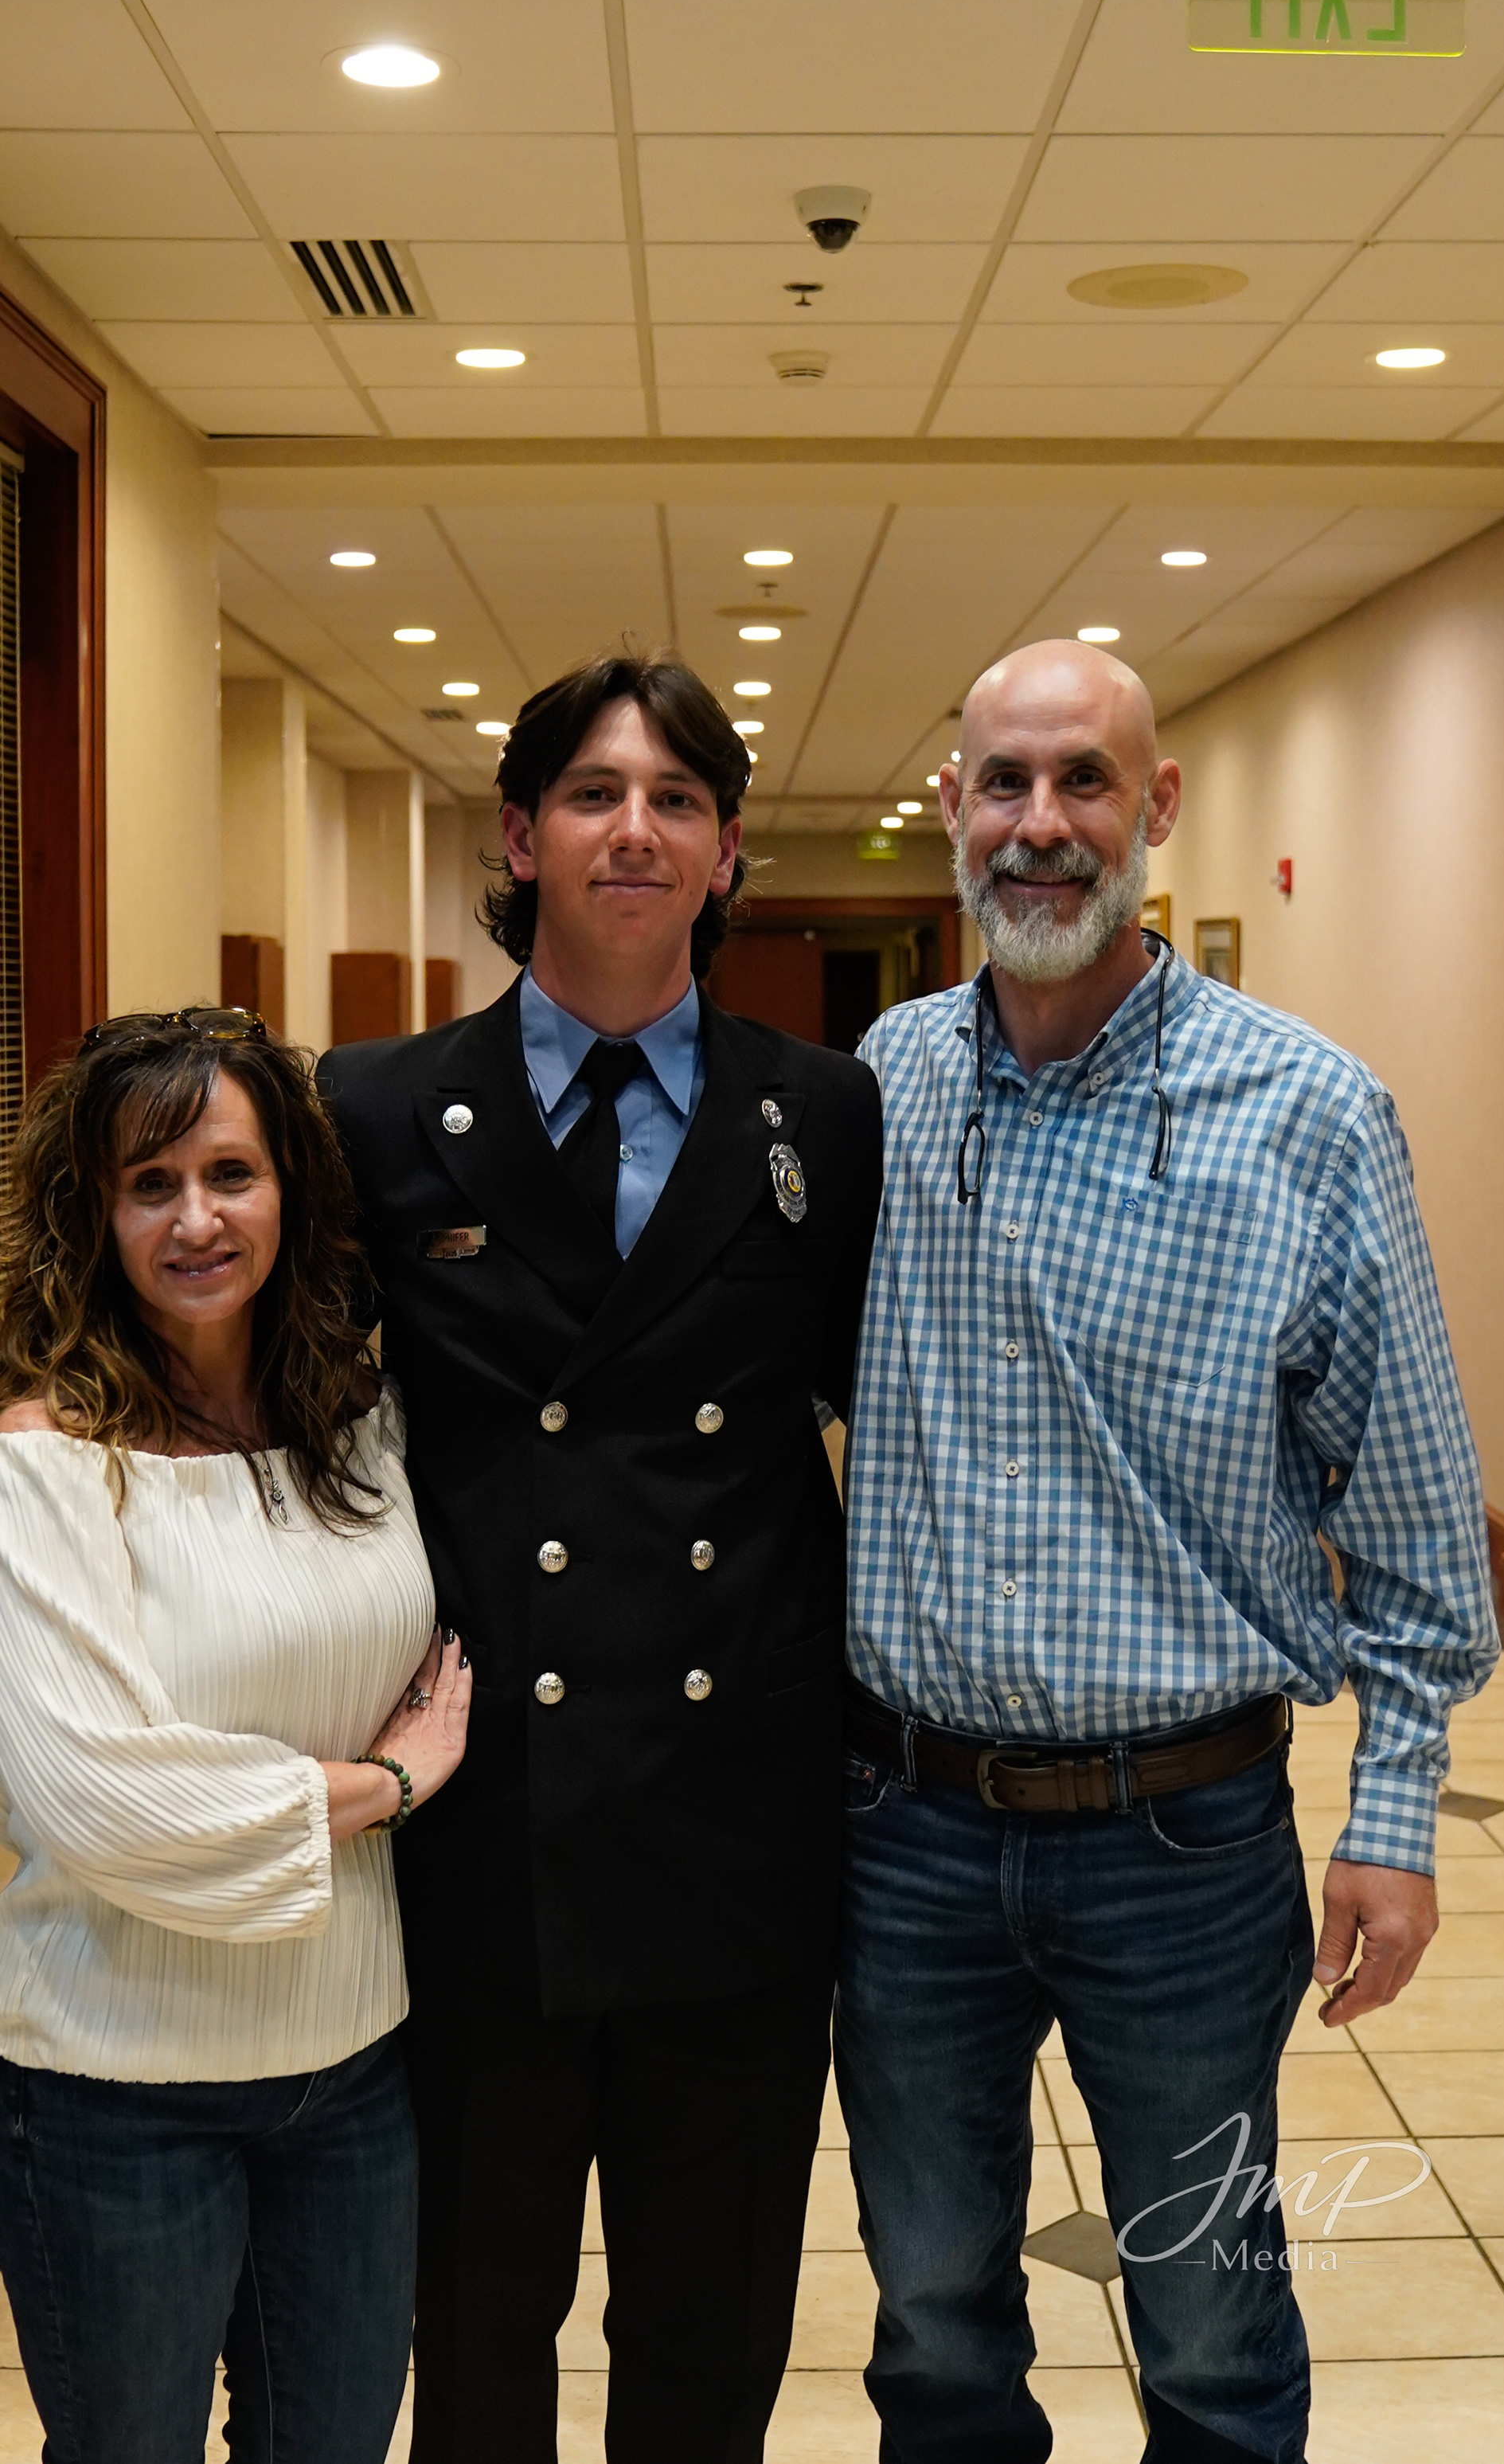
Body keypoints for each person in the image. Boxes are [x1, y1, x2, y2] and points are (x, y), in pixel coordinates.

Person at [837, 639, 1498, 2464]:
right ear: (953, 805)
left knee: (1209, 2324)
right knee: (932, 2314)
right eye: (1005, 781)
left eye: (1086, 780)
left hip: (1183, 1847)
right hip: (905, 1836)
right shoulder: (883, 1084)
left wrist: (1394, 1816)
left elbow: (1415, 1518)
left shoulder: (1308, 1113)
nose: (1041, 823)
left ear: (1160, 805)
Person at [319, 647, 882, 2464]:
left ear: (724, 851)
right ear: (521, 836)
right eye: (592, 794)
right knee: (477, 2328)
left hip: (735, 1824)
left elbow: (888, 1399)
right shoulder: (376, 1105)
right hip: (488, 1824)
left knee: (707, 2343)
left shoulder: (822, 1111)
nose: (634, 829)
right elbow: (283, 1398)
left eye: (676, 799)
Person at [0, 1009, 472, 2464]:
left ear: (291, 1189)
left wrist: (303, 1792)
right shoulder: (44, 1467)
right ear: (93, 1215)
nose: (196, 1219)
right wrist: (385, 1781)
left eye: (230, 1173)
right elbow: (98, 1799)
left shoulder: (360, 1429)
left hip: (354, 2063)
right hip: (112, 2088)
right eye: (150, 1184)